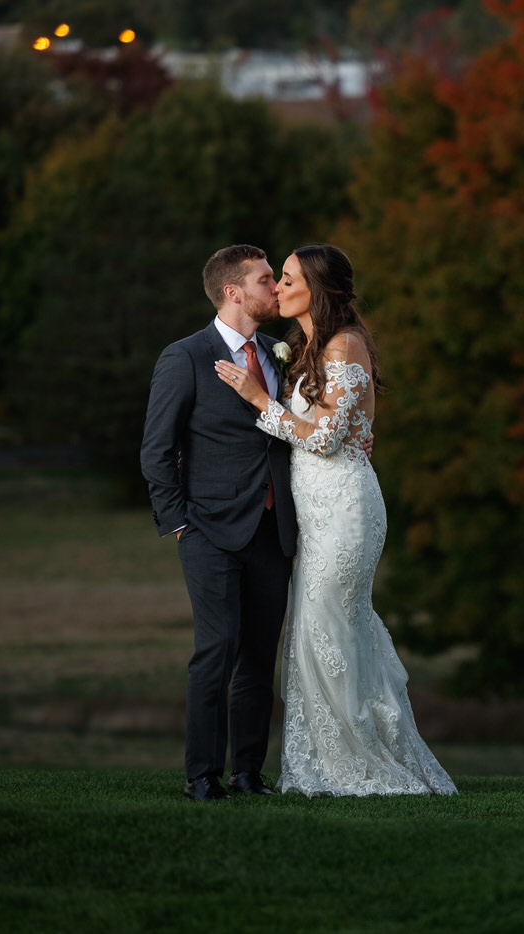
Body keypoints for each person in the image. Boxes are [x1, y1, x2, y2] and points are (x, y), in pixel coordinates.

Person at [215, 244, 456, 797]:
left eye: (288, 278)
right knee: (312, 633)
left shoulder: (345, 344)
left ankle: (360, 764)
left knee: (331, 630)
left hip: (345, 510)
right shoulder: (307, 347)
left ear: (315, 289)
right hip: (315, 513)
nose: (276, 286)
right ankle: (321, 763)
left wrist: (258, 399)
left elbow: (323, 439)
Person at [141, 244, 297, 801]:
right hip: (208, 530)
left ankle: (248, 774)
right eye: (263, 279)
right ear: (234, 292)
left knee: (259, 657)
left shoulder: (281, 352)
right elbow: (155, 450)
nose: (274, 289)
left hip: (275, 530)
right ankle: (202, 776)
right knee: (217, 651)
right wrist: (179, 523)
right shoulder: (184, 356)